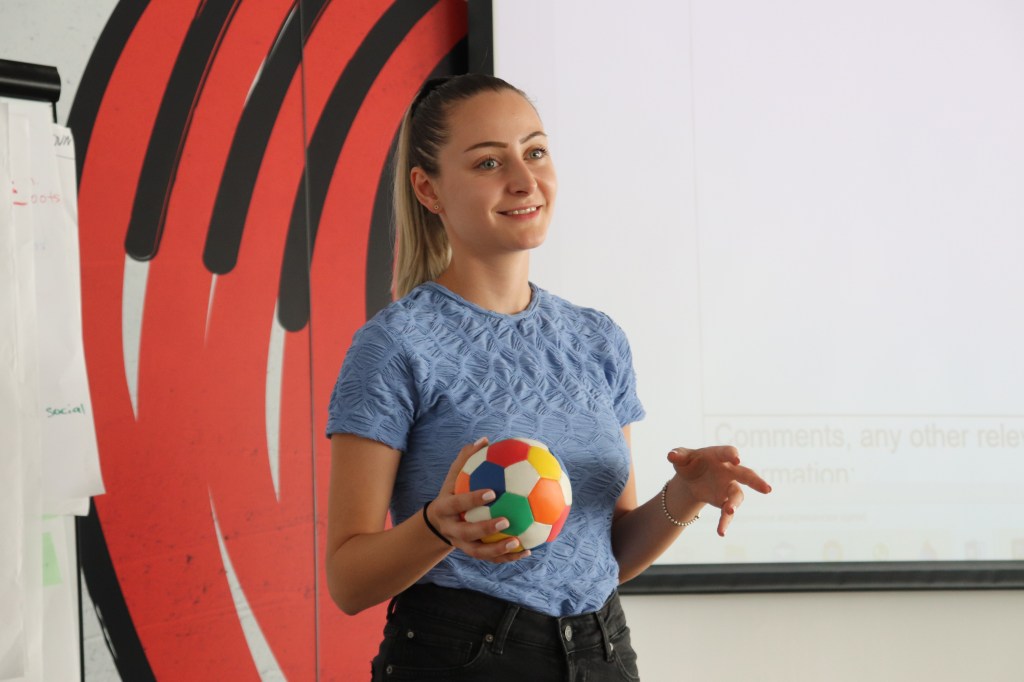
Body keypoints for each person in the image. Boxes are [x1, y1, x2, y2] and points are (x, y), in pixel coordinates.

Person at [325, 73, 772, 681]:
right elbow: (348, 581)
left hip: (602, 650)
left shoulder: (597, 338)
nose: (524, 180)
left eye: (534, 152)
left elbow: (611, 551)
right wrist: (436, 527)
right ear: (428, 189)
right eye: (488, 162)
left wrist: (686, 493)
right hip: (460, 656)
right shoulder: (396, 344)